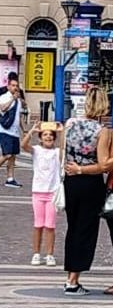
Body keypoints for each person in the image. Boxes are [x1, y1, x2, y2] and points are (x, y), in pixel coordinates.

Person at [62, 87, 113, 295]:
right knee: (86, 230)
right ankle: (73, 280)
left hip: (70, 181)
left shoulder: (70, 124)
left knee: (73, 228)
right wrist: (83, 168)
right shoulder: (102, 131)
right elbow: (103, 165)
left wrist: (73, 168)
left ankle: (70, 276)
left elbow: (63, 153)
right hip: (90, 183)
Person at [21, 121, 63, 267]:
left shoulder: (57, 152)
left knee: (50, 225)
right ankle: (36, 253)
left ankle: (50, 254)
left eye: (51, 135)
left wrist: (61, 132)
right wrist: (32, 131)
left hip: (52, 192)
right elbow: (23, 145)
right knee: (38, 224)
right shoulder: (37, 150)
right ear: (40, 138)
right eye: (45, 135)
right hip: (38, 192)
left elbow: (64, 149)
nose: (48, 137)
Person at [0, 75, 24, 188]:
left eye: (16, 86)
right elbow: (2, 108)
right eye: (13, 85)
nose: (15, 88)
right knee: (7, 154)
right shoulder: (4, 97)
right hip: (5, 130)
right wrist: (12, 99)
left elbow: (19, 116)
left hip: (15, 131)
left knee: (13, 156)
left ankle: (10, 178)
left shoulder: (19, 100)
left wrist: (24, 130)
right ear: (8, 86)